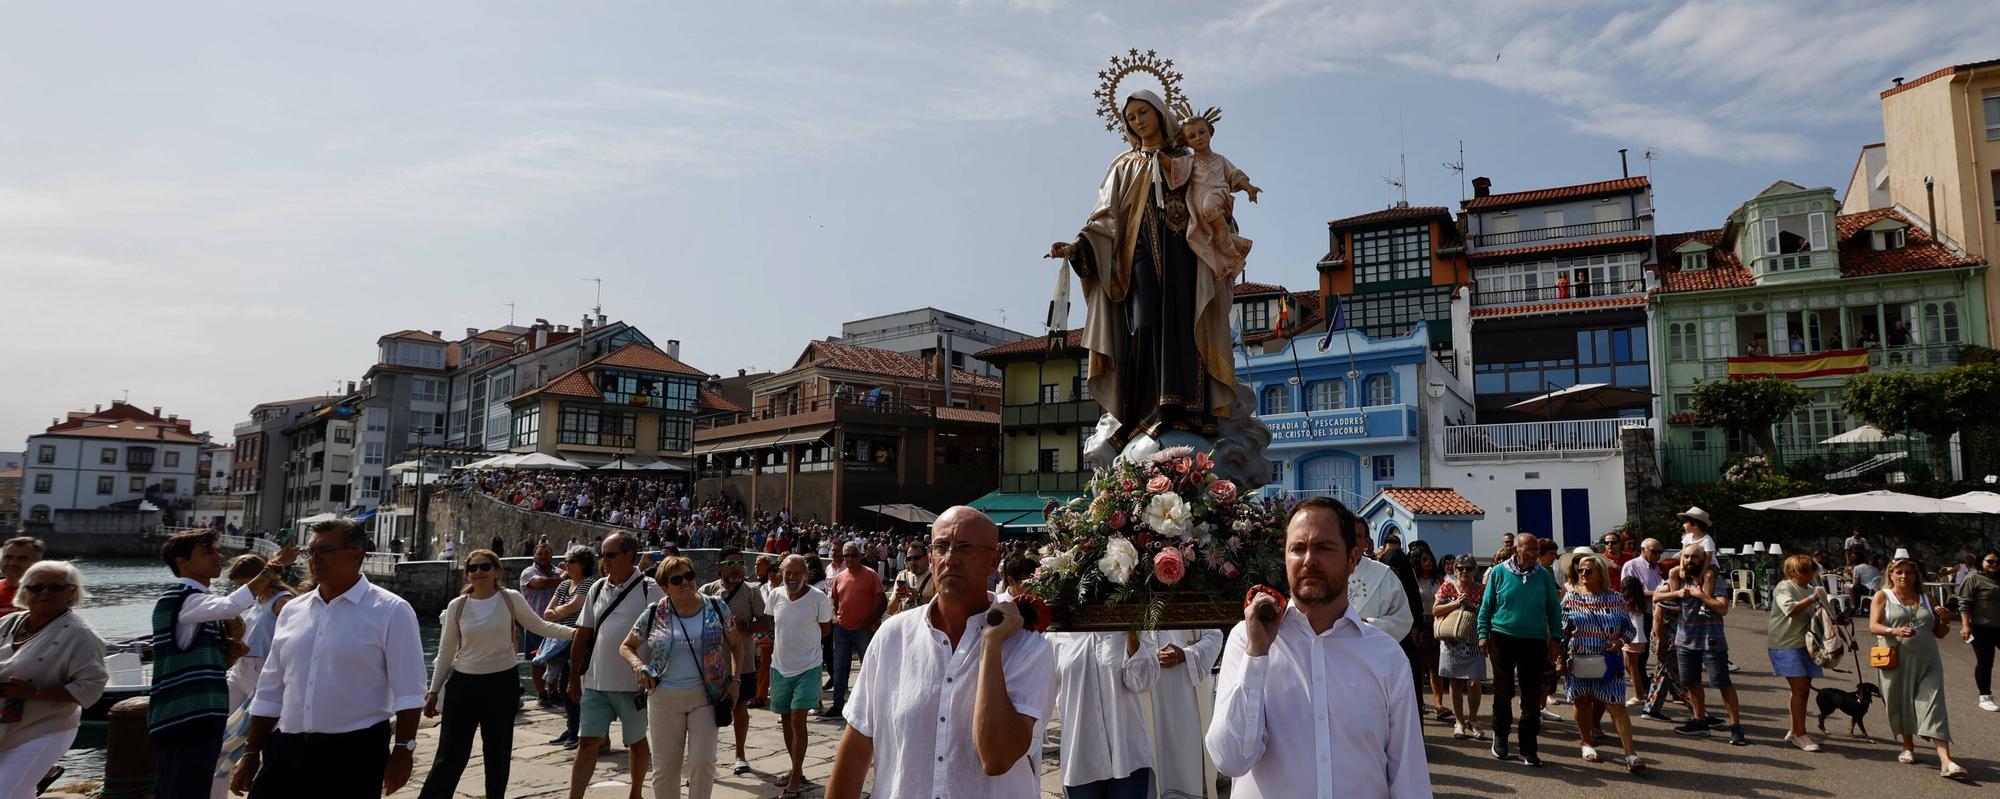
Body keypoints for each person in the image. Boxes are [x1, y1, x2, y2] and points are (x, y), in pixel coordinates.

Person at [826, 507, 1057, 799]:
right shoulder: (893, 636)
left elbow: (997, 757)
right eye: (941, 547)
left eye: (964, 547)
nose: (951, 558)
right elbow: (857, 747)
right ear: (931, 558)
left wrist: (990, 645)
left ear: (993, 561)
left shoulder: (1028, 647)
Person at [1207, 498, 1429, 797]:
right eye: (1298, 548)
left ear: (1352, 559)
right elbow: (1230, 759)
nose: (1309, 559)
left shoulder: (1385, 655)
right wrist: (1257, 657)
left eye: (1324, 548)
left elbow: (1409, 777)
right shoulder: (1247, 640)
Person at [233, 519, 426, 799]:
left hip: (354, 752)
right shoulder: (292, 610)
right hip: (287, 747)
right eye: (311, 552)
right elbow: (271, 687)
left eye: (325, 551)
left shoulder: (391, 611)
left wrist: (403, 750)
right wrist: (251, 751)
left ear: (356, 554)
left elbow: (409, 691)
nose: (314, 559)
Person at [418, 549, 575, 799]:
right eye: (473, 568)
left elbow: (539, 625)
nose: (478, 572)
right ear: (467, 574)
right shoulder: (457, 606)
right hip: (464, 685)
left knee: (498, 754)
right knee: (450, 754)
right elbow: (446, 651)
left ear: (496, 571)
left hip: (502, 684)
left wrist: (576, 633)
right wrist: (433, 691)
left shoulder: (510, 599)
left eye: (484, 567)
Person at [151, 529, 295, 799]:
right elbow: (232, 605)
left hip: (193, 715)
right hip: (187, 717)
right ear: (182, 562)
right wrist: (272, 565)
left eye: (217, 550)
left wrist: (225, 653)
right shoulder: (185, 599)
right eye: (208, 552)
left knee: (191, 783)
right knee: (185, 787)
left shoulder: (193, 600)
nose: (218, 557)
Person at [622, 555, 740, 799]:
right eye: (677, 579)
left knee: (703, 763)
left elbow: (737, 645)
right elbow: (626, 646)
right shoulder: (655, 612)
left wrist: (735, 680)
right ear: (665, 587)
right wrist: (638, 666)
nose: (686, 582)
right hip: (664, 698)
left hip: (706, 697)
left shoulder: (716, 606)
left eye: (689, 575)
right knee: (665, 769)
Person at [565, 533, 660, 799]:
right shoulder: (596, 588)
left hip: (632, 684)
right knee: (587, 742)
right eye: (602, 554)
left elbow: (664, 630)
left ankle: (636, 793)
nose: (603, 560)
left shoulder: (648, 588)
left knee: (636, 741)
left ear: (629, 556)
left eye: (610, 554)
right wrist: (574, 676)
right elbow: (582, 633)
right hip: (596, 681)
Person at [0, 561, 104, 799]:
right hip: (5, 724)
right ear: (24, 592)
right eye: (36, 588)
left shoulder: (81, 635)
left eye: (56, 588)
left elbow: (91, 687)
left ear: (71, 593)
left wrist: (34, 692)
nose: (45, 593)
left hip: (44, 728)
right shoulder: (9, 623)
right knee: (19, 791)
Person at [1872, 558, 1967, 777]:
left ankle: (1946, 761)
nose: (1905, 577)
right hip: (1895, 659)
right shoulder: (1882, 596)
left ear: (1916, 576)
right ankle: (1908, 746)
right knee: (1901, 703)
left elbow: (1939, 634)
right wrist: (1894, 631)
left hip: (1928, 661)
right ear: (1891, 575)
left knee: (1934, 705)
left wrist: (1944, 621)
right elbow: (1873, 626)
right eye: (1900, 572)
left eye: (1909, 573)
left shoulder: (1927, 597)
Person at [1475, 531, 1561, 766]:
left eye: (1535, 551)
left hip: (1533, 641)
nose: (1533, 555)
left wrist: (1556, 638)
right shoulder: (1499, 572)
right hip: (1502, 637)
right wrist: (1482, 634)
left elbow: (1554, 609)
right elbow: (1487, 606)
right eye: (1528, 550)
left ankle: (1528, 747)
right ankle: (1500, 736)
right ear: (1516, 550)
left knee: (1531, 696)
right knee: (1503, 692)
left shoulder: (1543, 575)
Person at [1557, 549, 1643, 772]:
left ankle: (1631, 754)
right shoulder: (1571, 597)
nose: (1583, 574)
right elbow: (1561, 629)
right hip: (1579, 658)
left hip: (1608, 659)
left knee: (1617, 706)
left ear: (1601, 573)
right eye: (1580, 570)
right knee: (1582, 702)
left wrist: (1620, 640)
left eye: (1588, 570)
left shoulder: (1614, 598)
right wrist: (1559, 657)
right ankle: (1586, 742)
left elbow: (1629, 629)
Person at [1655, 544, 1746, 745]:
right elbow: (1656, 597)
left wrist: (1701, 595)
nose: (1689, 561)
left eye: (1693, 557)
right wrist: (1676, 594)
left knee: (1723, 683)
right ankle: (1699, 721)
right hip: (1685, 641)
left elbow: (1722, 608)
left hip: (1711, 641)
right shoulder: (1677, 580)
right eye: (1686, 556)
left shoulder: (1715, 580)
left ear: (1703, 559)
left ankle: (1736, 727)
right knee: (1690, 682)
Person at [1052, 631, 1158, 799]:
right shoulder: (1056, 636)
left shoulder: (1130, 631)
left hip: (1128, 755)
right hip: (1081, 757)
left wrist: (1131, 631)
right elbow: (1043, 698)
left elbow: (1143, 683)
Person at [698, 546, 767, 777]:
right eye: (730, 563)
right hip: (711, 663)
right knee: (706, 713)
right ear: (719, 567)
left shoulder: (751, 591)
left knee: (740, 708)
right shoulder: (707, 591)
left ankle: (740, 755)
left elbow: (766, 621)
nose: (736, 567)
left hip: (742, 661)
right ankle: (707, 760)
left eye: (739, 563)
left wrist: (745, 626)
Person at [767, 554, 832, 799]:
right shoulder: (775, 595)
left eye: (796, 573)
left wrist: (807, 649)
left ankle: (795, 779)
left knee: (798, 719)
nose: (792, 578)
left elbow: (826, 629)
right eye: (788, 573)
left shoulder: (819, 598)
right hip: (780, 666)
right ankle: (798, 768)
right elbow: (775, 623)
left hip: (808, 666)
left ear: (805, 574)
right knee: (786, 719)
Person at [1144, 628, 1223, 799]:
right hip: (1150, 694)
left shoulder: (1196, 601)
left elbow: (1215, 636)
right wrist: (1149, 656)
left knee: (1189, 761)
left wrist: (1186, 655)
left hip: (1188, 695)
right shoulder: (1137, 603)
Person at [1769, 553, 1828, 752]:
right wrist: (1813, 599)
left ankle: (1795, 730)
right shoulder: (1784, 587)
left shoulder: (1811, 589)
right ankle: (1800, 734)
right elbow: (1791, 609)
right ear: (1791, 571)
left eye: (1809, 570)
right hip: (1784, 644)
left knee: (1801, 690)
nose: (1806, 574)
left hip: (1806, 645)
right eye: (1802, 570)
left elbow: (1817, 614)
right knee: (1801, 688)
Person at [824, 541, 883, 721]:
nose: (849, 558)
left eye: (853, 555)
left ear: (860, 556)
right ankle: (837, 704)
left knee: (869, 666)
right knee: (840, 667)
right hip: (842, 629)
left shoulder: (870, 575)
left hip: (863, 630)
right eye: (846, 555)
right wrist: (834, 616)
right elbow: (833, 601)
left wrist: (869, 622)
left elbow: (881, 601)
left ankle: (870, 704)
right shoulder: (840, 577)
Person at [1434, 554, 1486, 742]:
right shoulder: (1447, 586)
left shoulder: (1482, 589)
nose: (1464, 571)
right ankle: (1459, 721)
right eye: (1460, 568)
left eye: (1469, 568)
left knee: (1474, 682)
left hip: (1473, 640)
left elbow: (1488, 612)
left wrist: (1471, 605)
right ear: (1454, 570)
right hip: (1451, 641)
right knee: (1455, 683)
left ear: (1475, 570)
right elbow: (1435, 610)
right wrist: (1456, 603)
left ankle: (1473, 719)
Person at [1344, 518, 1414, 642]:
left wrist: (1369, 624)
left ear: (1367, 542)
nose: (1351, 540)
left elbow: (1403, 619)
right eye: (1346, 535)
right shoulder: (1326, 570)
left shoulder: (1383, 574)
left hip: (1370, 648)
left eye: (1357, 536)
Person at [521, 543, 565, 706]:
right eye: (540, 554)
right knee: (537, 660)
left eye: (547, 553)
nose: (543, 556)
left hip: (555, 622)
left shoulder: (558, 572)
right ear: (534, 556)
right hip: (535, 624)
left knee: (555, 659)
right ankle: (541, 693)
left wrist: (566, 572)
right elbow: (540, 583)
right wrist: (562, 578)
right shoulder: (528, 572)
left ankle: (553, 691)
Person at [1958, 549, 2000, 713]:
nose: (1994, 564)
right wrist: (1965, 625)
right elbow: (1965, 603)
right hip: (1981, 626)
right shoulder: (1973, 578)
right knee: (1985, 661)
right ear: (1981, 562)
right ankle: (1985, 696)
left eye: (1997, 562)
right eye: (1990, 561)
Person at [887, 540, 935, 617]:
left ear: (926, 558)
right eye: (909, 559)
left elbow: (939, 609)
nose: (912, 562)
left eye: (916, 558)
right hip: (905, 624)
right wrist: (896, 597)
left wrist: (918, 599)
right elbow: (890, 610)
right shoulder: (902, 576)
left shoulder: (935, 577)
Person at [0, 538, 44, 617]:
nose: (12, 563)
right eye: (8, 557)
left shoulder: (48, 594)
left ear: (37, 563)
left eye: (22, 559)